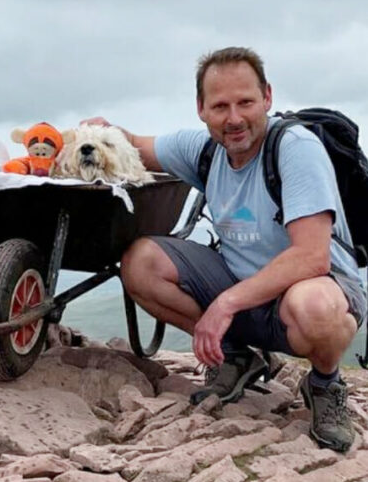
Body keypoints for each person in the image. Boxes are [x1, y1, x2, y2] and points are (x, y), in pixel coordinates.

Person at [83, 46, 367, 452]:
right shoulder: (202, 149)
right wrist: (100, 132)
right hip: (244, 289)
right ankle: (235, 356)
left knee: (315, 307)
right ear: (201, 108)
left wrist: (225, 304)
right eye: (220, 106)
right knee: (140, 263)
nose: (234, 119)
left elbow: (311, 257)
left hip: (313, 290)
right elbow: (132, 144)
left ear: (267, 97)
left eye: (246, 102)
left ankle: (325, 383)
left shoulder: (296, 149)